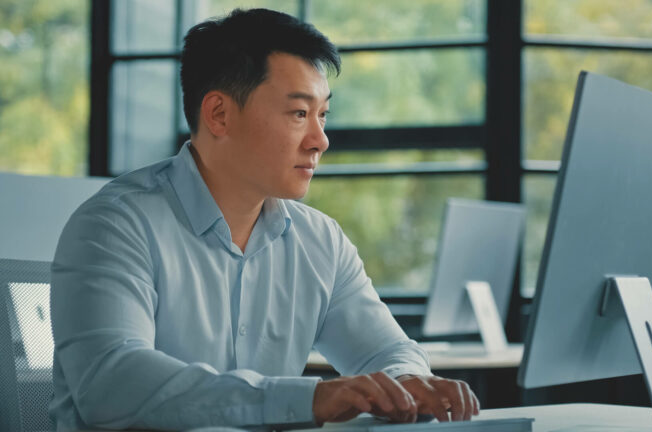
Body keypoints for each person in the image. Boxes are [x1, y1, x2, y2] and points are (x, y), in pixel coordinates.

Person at [49, 8, 479, 431]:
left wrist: (405, 383)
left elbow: (388, 350)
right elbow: (113, 384)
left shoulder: (320, 241)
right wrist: (306, 398)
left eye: (322, 114)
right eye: (299, 114)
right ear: (218, 114)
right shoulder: (115, 226)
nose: (321, 140)